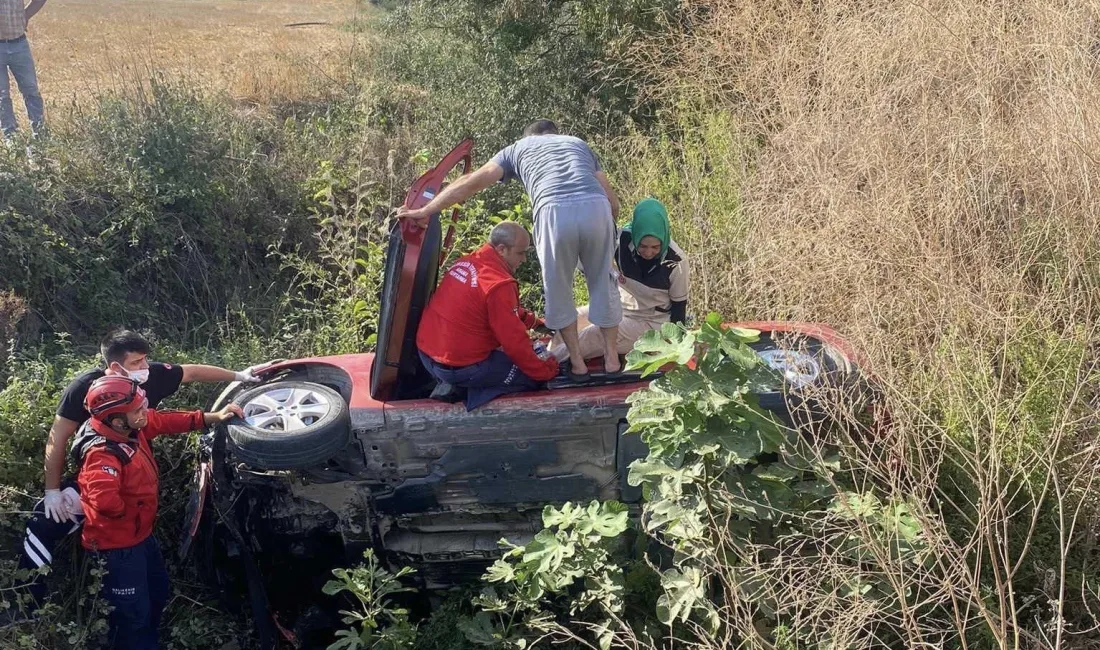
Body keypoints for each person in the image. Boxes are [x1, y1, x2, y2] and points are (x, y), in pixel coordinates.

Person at [15, 329, 270, 613]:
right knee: (42, 522)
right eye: (137, 362)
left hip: (138, 471)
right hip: (100, 475)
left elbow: (187, 380)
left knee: (147, 574)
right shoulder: (85, 389)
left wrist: (239, 375)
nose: (145, 369)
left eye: (146, 360)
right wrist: (53, 492)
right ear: (115, 367)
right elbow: (58, 438)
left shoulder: (150, 378)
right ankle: (27, 603)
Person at [397, 119, 623, 380]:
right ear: (555, 134)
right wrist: (606, 238)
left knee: (559, 290)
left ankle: (577, 365)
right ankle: (612, 360)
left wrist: (426, 210)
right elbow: (612, 201)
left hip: (553, 210)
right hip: (596, 206)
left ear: (528, 136)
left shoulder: (517, 149)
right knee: (603, 285)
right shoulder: (578, 144)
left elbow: (472, 182)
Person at [75, 375, 243, 649]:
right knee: (132, 616)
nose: (146, 413)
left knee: (157, 591)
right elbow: (104, 501)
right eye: (139, 410)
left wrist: (213, 417)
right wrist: (133, 511)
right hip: (117, 548)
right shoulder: (102, 455)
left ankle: (149, 639)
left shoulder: (130, 427)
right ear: (117, 420)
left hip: (141, 536)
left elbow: (165, 420)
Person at [416, 221, 559, 409]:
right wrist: (547, 370)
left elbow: (501, 309)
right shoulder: (499, 284)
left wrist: (536, 323)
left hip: (427, 356)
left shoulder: (466, 262)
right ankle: (463, 392)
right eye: (521, 253)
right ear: (501, 249)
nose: (524, 259)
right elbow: (515, 344)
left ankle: (458, 383)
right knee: (532, 379)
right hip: (459, 367)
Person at [550, 198, 689, 362]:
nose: (648, 252)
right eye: (643, 246)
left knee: (595, 335)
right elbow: (592, 256)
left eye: (655, 247)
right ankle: (544, 357)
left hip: (651, 321)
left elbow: (679, 308)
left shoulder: (676, 262)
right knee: (570, 321)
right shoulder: (621, 240)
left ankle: (547, 365)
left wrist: (674, 346)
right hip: (620, 306)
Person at [0, 0, 47, 137]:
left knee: (31, 90)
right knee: (2, 95)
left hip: (19, 43)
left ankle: (40, 135)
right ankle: (12, 139)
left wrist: (26, 15)